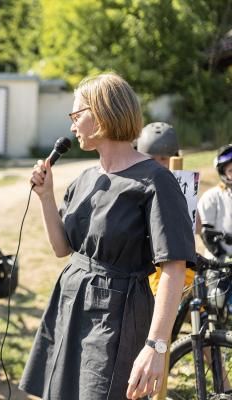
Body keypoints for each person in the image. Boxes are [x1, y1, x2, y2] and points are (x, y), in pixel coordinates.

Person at [19, 72, 195, 400]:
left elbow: (173, 267)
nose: (72, 125)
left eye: (77, 114)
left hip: (115, 316)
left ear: (102, 114)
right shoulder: (84, 178)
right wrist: (46, 197)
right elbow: (62, 249)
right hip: (70, 304)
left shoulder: (156, 181)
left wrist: (156, 346)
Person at [137, 122, 194, 295]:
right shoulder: (135, 187)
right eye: (152, 159)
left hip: (178, 266)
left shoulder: (185, 186)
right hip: (146, 270)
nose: (159, 165)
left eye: (164, 159)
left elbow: (192, 228)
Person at [198, 144, 232, 260]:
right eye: (231, 171)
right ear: (223, 174)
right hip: (219, 267)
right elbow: (206, 234)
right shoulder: (212, 197)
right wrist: (223, 256)